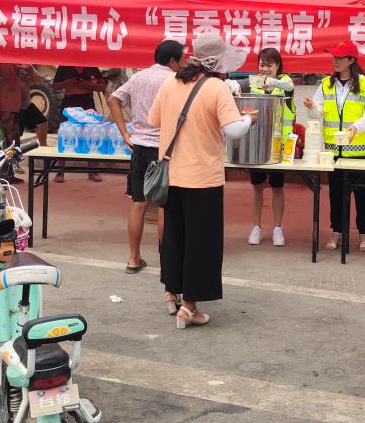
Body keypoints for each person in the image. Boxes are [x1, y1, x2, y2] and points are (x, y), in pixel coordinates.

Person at [148, 33, 254, 328]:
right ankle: (189, 307)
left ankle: (171, 293)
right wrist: (248, 119)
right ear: (218, 63)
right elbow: (234, 130)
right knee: (200, 243)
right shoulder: (217, 88)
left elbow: (154, 120)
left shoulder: (171, 82)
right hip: (203, 178)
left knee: (175, 237)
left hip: (172, 175)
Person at [108, 40, 188, 275]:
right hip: (164, 150)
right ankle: (167, 260)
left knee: (138, 204)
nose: (184, 63)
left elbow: (113, 99)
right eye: (182, 59)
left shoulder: (138, 77)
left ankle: (133, 259)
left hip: (139, 147)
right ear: (172, 61)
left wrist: (125, 133)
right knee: (164, 206)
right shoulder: (173, 80)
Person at [303, 40, 365, 252]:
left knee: (361, 194)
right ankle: (337, 232)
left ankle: (364, 234)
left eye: (339, 57)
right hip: (332, 151)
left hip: (359, 151)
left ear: (351, 60)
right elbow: (318, 112)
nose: (335, 61)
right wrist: (312, 107)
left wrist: (356, 127)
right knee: (335, 194)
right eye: (334, 57)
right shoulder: (326, 84)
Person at [238, 48, 296, 247]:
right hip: (256, 145)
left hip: (279, 147)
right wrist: (231, 85)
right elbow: (235, 86)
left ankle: (278, 228)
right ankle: (256, 227)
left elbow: (289, 86)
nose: (264, 69)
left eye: (269, 65)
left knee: (278, 187)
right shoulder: (253, 82)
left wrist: (273, 82)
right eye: (262, 65)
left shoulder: (286, 83)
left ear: (278, 66)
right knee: (257, 187)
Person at [52, 65, 106, 182]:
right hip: (69, 102)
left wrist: (88, 86)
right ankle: (60, 171)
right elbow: (54, 86)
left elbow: (102, 86)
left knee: (91, 135)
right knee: (65, 135)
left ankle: (92, 171)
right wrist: (69, 82)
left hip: (87, 102)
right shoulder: (64, 66)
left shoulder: (91, 66)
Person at [16, 65, 48, 148]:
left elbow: (39, 79)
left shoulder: (26, 64)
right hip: (13, 105)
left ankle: (43, 146)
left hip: (26, 104)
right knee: (16, 132)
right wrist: (20, 68)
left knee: (42, 122)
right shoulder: (9, 64)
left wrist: (31, 73)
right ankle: (13, 149)